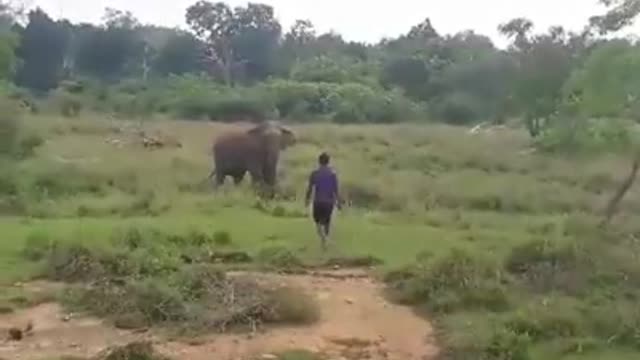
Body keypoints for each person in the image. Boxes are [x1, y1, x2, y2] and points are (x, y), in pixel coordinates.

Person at [305, 152, 341, 250]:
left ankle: (323, 239)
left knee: (317, 223)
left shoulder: (314, 174)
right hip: (329, 202)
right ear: (328, 162)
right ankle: (325, 240)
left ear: (319, 161)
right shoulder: (333, 174)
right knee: (327, 222)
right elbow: (336, 190)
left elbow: (309, 188)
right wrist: (339, 202)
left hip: (318, 202)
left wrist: (307, 200)